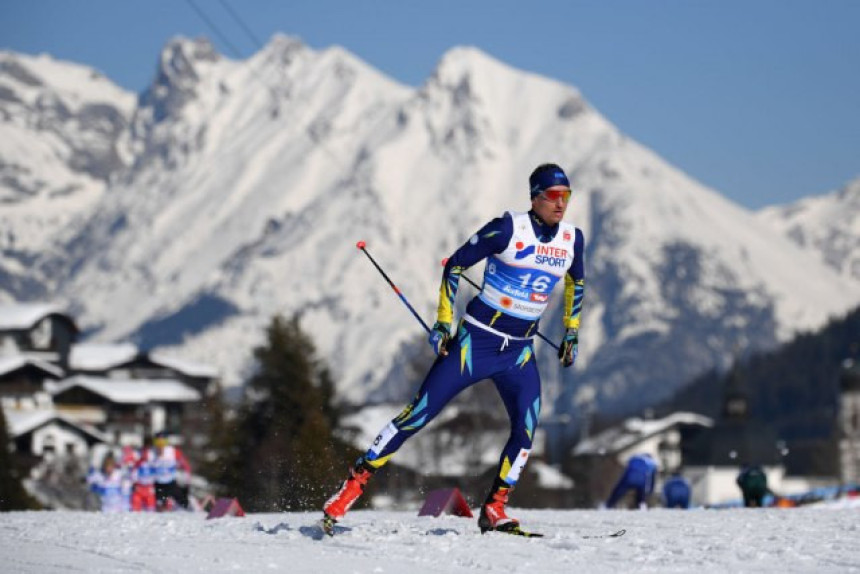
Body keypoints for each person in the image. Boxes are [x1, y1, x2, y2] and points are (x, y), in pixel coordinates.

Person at [322, 163, 586, 535]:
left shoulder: (572, 239)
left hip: (520, 351)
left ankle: (495, 508)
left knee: (526, 430)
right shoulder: (508, 229)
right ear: (535, 197)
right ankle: (353, 485)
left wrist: (571, 331)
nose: (562, 205)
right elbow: (455, 265)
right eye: (554, 196)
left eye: (567, 196)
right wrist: (444, 322)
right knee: (418, 415)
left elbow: (577, 281)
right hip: (475, 343)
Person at [135, 432, 192, 510]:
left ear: (167, 443)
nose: (160, 446)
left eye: (163, 442)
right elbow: (138, 465)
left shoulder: (173, 452)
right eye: (158, 442)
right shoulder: (149, 452)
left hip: (170, 482)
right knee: (158, 504)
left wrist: (187, 479)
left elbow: (185, 466)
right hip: (156, 484)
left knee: (183, 502)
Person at [130, 437, 157, 512]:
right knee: (136, 509)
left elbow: (157, 467)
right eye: (146, 447)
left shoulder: (154, 455)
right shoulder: (138, 454)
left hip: (149, 486)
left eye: (149, 447)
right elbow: (134, 468)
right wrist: (134, 482)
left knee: (151, 510)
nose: (147, 450)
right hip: (139, 486)